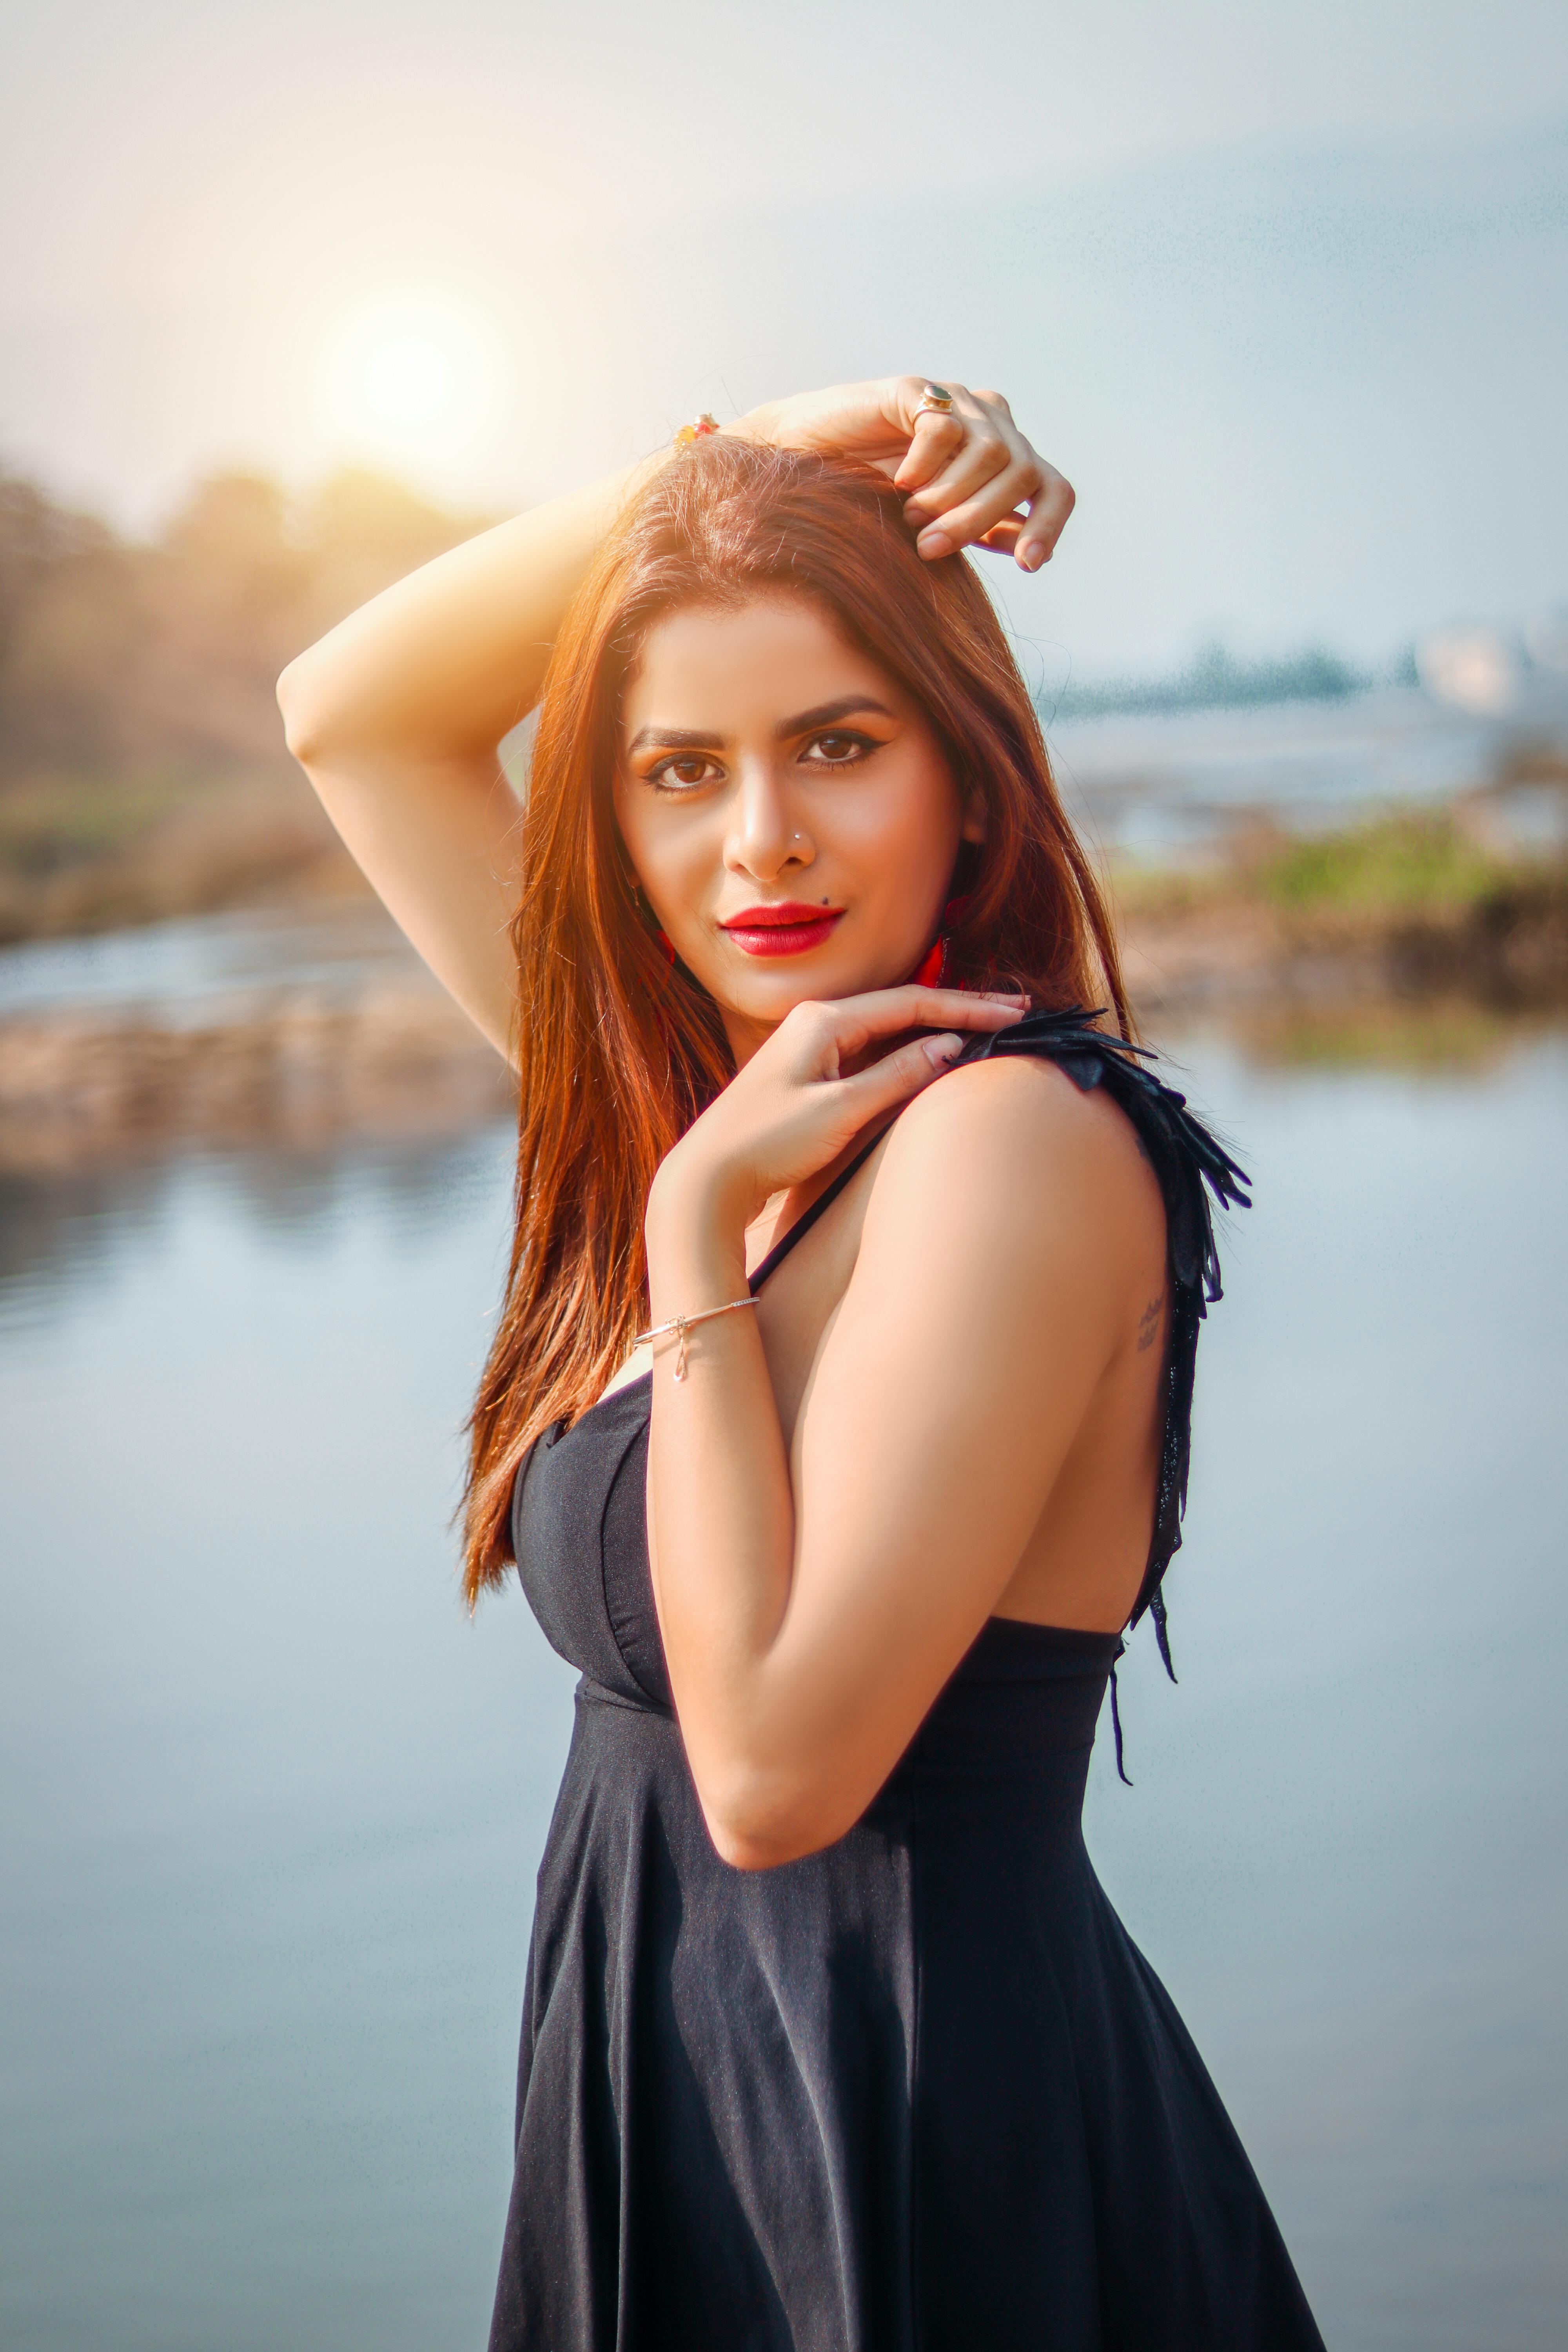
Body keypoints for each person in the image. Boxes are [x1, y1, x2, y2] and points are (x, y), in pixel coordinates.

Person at [278, 377, 1325, 2350]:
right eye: (678, 770)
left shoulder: (1001, 1147)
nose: (758, 840)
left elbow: (770, 1780)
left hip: (921, 2139)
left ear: (975, 782)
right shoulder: (715, 1114)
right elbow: (348, 711)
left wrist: (684, 1245)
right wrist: (753, 455)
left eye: (836, 747)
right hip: (677, 2110)